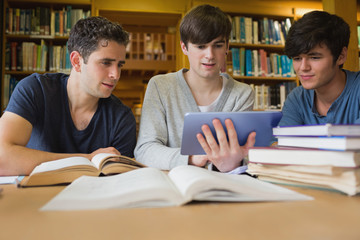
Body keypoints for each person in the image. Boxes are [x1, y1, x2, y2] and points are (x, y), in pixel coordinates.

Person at [0, 16, 137, 176]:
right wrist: (88, 159)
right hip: (34, 197)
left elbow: (119, 181)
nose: (116, 74)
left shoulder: (122, 118)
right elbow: (2, 159)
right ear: (77, 61)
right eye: (106, 63)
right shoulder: (34, 90)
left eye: (119, 65)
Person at [134, 4, 255, 173]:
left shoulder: (242, 94)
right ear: (184, 47)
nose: (210, 55)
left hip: (223, 187)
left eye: (218, 45)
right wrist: (191, 158)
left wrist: (233, 163)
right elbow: (145, 150)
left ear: (227, 46)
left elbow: (236, 157)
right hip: (171, 186)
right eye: (200, 46)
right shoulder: (160, 86)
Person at [279, 10, 360, 126]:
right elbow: (281, 143)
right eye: (297, 58)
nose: (303, 67)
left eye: (314, 57)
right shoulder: (297, 98)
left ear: (341, 56)